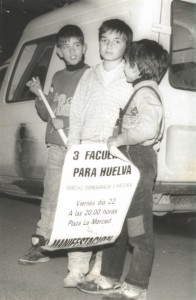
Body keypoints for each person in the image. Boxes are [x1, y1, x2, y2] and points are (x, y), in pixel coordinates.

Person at [78, 39, 169, 300]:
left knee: (138, 228)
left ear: (140, 68)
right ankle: (109, 277)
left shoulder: (146, 94)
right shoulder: (140, 90)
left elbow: (148, 129)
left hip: (139, 161)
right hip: (130, 161)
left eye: (128, 63)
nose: (124, 67)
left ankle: (137, 286)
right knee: (116, 222)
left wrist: (119, 139)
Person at [64, 19, 133, 288]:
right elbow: (77, 110)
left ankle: (100, 269)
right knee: (79, 211)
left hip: (113, 152)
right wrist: (73, 143)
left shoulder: (129, 75)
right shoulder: (88, 75)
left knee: (105, 214)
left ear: (126, 45)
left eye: (117, 41)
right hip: (86, 149)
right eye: (105, 40)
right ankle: (76, 267)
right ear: (98, 43)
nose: (109, 46)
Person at [18, 24, 89, 265]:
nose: (72, 51)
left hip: (78, 148)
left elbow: (93, 113)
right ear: (58, 52)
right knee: (50, 197)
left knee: (77, 199)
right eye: (66, 47)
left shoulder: (90, 76)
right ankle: (41, 245)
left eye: (76, 45)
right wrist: (40, 97)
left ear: (84, 48)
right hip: (57, 147)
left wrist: (67, 121)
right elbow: (47, 113)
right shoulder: (57, 77)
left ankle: (79, 252)